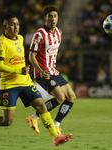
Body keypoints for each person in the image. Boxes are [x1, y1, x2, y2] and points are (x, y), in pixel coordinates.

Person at [0, 14, 72, 146]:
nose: (16, 27)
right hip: (9, 85)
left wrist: (24, 70)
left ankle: (56, 137)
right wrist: (19, 70)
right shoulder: (1, 43)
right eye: (12, 24)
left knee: (41, 106)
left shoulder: (21, 38)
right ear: (5, 26)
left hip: (25, 82)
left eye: (17, 24)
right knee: (7, 121)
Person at [26, 6, 76, 135]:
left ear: (57, 18)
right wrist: (40, 70)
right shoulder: (39, 34)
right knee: (60, 97)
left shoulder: (59, 33)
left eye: (54, 16)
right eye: (49, 16)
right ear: (44, 18)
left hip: (53, 71)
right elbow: (31, 56)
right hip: (42, 73)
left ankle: (56, 123)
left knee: (71, 97)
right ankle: (35, 116)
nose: (52, 19)